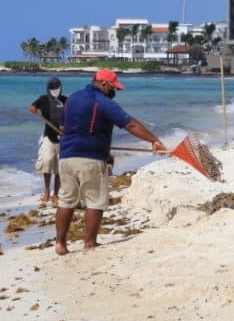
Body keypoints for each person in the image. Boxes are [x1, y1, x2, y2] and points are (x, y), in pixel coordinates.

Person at [53, 70, 164, 255]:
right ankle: (89, 243)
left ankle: (60, 244)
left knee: (66, 200)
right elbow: (130, 124)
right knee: (95, 201)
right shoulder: (103, 102)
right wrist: (153, 140)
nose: (115, 91)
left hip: (66, 157)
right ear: (104, 84)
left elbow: (63, 126)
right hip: (91, 158)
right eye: (114, 87)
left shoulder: (72, 99)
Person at [28, 77, 66, 206]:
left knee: (59, 168)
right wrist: (33, 109)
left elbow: (73, 115)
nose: (55, 90)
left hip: (64, 138)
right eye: (52, 88)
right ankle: (46, 192)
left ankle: (56, 194)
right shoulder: (43, 99)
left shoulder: (66, 100)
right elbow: (33, 107)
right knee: (47, 163)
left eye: (57, 87)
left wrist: (65, 126)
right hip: (48, 136)